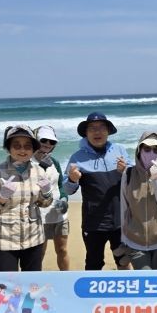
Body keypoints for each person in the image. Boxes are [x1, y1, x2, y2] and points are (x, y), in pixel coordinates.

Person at [0, 125, 53, 271]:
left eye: (27, 146)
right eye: (17, 146)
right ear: (8, 148)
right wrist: (1, 199)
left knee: (32, 281)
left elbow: (44, 204)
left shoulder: (39, 171)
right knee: (7, 282)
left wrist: (46, 193)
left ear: (33, 149)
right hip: (4, 239)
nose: (22, 150)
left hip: (34, 236)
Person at [64, 112, 132, 270]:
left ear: (108, 131)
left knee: (123, 260)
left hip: (120, 220)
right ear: (86, 133)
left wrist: (126, 171)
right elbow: (67, 189)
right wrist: (73, 179)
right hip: (93, 222)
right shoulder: (77, 157)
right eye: (92, 128)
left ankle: (126, 287)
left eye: (101, 128)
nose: (97, 132)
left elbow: (134, 179)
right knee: (94, 263)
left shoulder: (120, 150)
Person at [120, 131, 157, 269]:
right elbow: (124, 207)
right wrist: (124, 237)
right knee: (145, 280)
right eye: (147, 149)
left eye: (156, 149)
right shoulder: (128, 173)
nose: (151, 153)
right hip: (135, 242)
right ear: (139, 150)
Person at [33, 126, 70, 270]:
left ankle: (66, 278)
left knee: (62, 250)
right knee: (39, 252)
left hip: (59, 212)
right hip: (39, 215)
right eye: (44, 140)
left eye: (52, 142)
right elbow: (29, 186)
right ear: (36, 140)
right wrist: (42, 166)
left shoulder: (54, 162)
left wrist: (64, 200)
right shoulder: (28, 162)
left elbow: (60, 186)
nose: (48, 144)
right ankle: (35, 280)